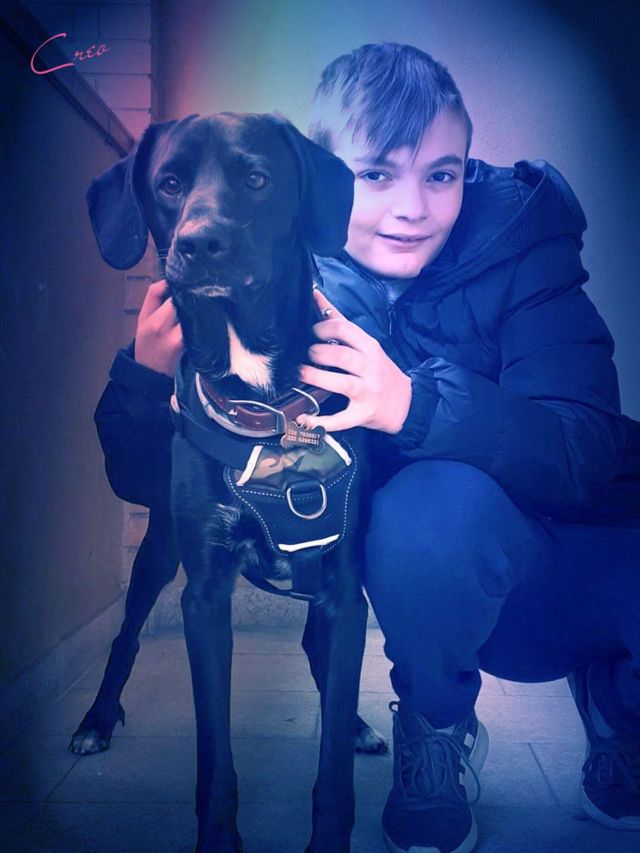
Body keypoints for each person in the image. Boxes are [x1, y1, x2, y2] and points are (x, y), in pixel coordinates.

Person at [95, 42, 640, 853]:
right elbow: (153, 482)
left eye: (441, 174)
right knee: (428, 514)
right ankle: (436, 723)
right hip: (455, 567)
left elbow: (590, 452)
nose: (411, 206)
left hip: (590, 547)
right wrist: (145, 380)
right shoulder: (281, 284)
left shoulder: (529, 250)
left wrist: (413, 404)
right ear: (330, 186)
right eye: (378, 174)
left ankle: (619, 703)